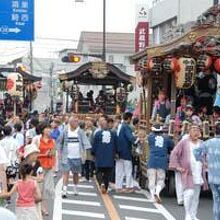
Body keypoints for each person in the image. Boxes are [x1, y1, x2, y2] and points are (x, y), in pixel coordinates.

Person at [169, 124, 208, 220]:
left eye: (197, 130)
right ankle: (187, 214)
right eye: (193, 130)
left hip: (198, 172)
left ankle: (193, 214)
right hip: (188, 172)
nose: (196, 132)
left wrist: (206, 163)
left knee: (196, 196)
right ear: (189, 132)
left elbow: (206, 155)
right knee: (189, 193)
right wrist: (178, 166)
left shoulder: (202, 143)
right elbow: (174, 153)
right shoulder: (184, 142)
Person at [58, 116, 91, 198]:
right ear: (70, 122)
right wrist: (59, 152)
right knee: (66, 173)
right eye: (75, 121)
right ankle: (64, 191)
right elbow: (60, 142)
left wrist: (86, 153)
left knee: (76, 173)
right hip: (67, 156)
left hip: (77, 156)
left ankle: (75, 187)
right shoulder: (65, 130)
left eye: (77, 121)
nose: (77, 123)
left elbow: (85, 142)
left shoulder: (80, 131)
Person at [194, 122, 220, 220]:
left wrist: (203, 161)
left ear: (214, 131)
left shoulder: (208, 142)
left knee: (216, 200)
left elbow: (196, 152)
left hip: (213, 177)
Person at [147, 124, 174, 203]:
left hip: (152, 160)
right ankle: (157, 192)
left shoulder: (150, 137)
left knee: (151, 179)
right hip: (162, 160)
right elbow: (172, 146)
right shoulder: (166, 138)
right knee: (161, 179)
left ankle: (152, 196)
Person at [92, 116, 117, 193]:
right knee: (107, 173)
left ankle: (101, 183)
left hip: (99, 156)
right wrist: (116, 153)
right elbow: (116, 145)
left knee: (98, 171)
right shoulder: (113, 134)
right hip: (110, 156)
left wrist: (93, 153)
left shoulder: (98, 134)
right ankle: (105, 187)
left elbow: (94, 145)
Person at [37, 122, 55, 216]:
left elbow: (54, 153)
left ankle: (42, 206)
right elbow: (34, 154)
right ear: (42, 130)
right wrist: (44, 154)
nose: (49, 130)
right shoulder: (37, 139)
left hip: (49, 167)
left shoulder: (52, 140)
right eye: (47, 128)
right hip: (39, 167)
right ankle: (42, 207)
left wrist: (53, 163)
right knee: (40, 188)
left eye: (49, 128)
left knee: (47, 188)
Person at [116, 112, 135, 193]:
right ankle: (129, 186)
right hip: (126, 150)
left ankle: (118, 187)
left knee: (119, 170)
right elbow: (131, 138)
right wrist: (136, 140)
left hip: (118, 150)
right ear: (129, 119)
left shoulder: (119, 125)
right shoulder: (126, 127)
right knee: (128, 169)